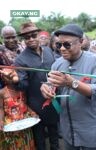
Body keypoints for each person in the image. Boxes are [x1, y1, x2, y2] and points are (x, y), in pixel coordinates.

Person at [40, 23, 96, 150]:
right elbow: (51, 84)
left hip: (89, 128)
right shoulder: (57, 64)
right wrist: (45, 88)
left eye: (67, 44)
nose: (62, 49)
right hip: (67, 129)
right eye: (59, 45)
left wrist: (72, 83)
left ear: (81, 42)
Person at [12, 22, 59, 150]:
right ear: (24, 40)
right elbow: (23, 85)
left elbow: (55, 70)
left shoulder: (49, 51)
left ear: (38, 35)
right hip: (35, 105)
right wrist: (15, 80)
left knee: (55, 135)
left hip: (54, 101)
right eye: (27, 37)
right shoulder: (20, 60)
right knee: (40, 139)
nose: (31, 39)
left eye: (33, 35)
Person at [0, 25, 36, 149]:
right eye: (7, 37)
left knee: (26, 112)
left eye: (13, 37)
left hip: (26, 87)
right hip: (8, 91)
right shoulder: (0, 52)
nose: (11, 40)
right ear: (2, 38)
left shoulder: (24, 47)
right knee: (10, 117)